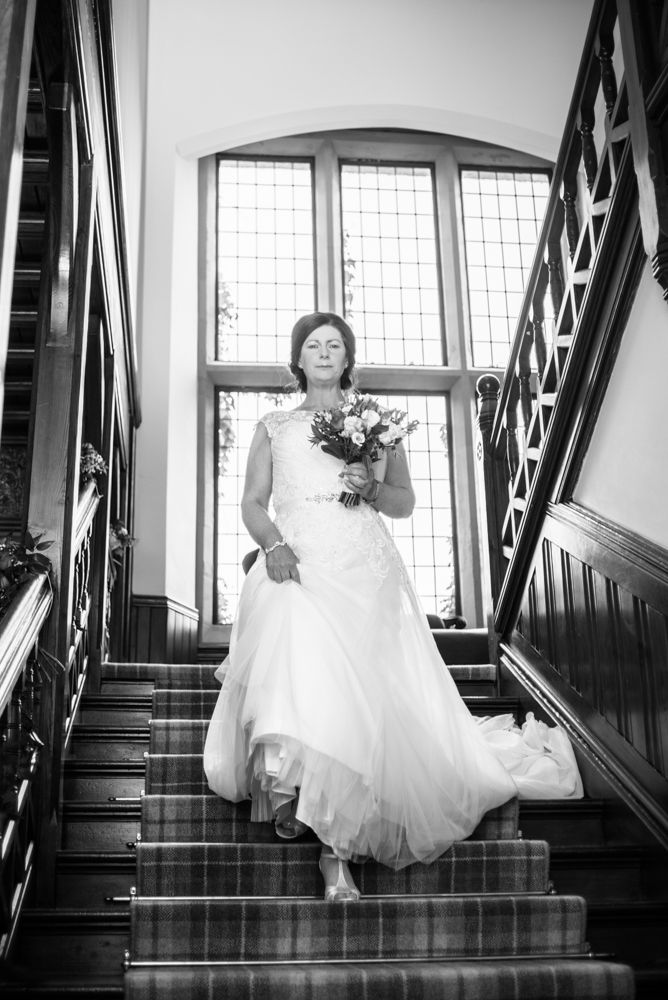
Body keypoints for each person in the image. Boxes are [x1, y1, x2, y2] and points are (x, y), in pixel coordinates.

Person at [203, 311, 582, 902]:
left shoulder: (374, 423)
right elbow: (253, 502)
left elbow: (403, 504)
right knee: (301, 660)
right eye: (313, 345)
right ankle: (306, 812)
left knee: (360, 697)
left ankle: (337, 850)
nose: (324, 353)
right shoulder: (274, 425)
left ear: (346, 358)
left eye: (335, 345)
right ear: (298, 359)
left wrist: (371, 485)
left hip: (364, 566)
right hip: (296, 561)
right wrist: (273, 547)